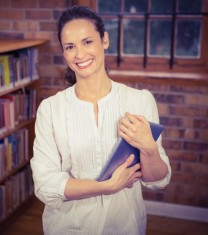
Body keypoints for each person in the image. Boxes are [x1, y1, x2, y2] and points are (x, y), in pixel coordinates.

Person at [30, 5, 171, 235]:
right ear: (63, 53)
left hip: (124, 227)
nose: (80, 54)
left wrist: (148, 148)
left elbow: (158, 180)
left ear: (104, 40)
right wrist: (105, 187)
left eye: (87, 42)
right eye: (70, 47)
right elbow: (45, 185)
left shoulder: (140, 101)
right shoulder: (50, 109)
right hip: (68, 228)